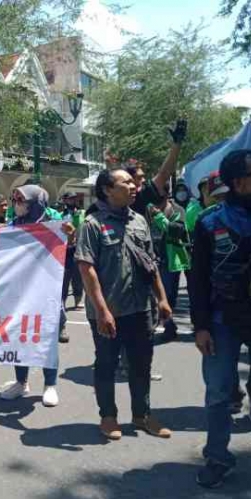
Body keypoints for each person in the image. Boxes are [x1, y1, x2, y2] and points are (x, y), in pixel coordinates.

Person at [190, 149, 251, 488]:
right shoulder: (210, 222)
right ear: (239, 182)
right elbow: (197, 277)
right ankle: (217, 456)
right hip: (221, 321)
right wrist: (200, 326)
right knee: (218, 393)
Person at [76, 169, 173, 441]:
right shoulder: (92, 224)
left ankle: (142, 415)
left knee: (142, 364)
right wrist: (103, 310)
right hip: (109, 313)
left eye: (133, 182)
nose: (133, 186)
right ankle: (108, 417)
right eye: (126, 182)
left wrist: (162, 298)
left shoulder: (140, 221)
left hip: (141, 309)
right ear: (107, 190)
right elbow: (87, 269)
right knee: (106, 364)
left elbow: (150, 264)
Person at [0, 185, 68, 407]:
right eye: (15, 200)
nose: (17, 204)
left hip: (46, 291)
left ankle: (50, 385)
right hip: (20, 292)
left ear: (36, 202)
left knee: (47, 339)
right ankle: (21, 382)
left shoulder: (55, 226)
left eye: (22, 200)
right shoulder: (14, 225)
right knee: (20, 337)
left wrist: (70, 235)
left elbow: (69, 249)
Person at [148, 187, 190, 344]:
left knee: (167, 296)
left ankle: (169, 327)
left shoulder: (177, 210)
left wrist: (158, 216)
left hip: (169, 261)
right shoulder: (146, 209)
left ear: (166, 195)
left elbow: (176, 231)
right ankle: (153, 326)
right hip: (149, 259)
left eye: (159, 195)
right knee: (148, 296)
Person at [61, 192, 86, 310]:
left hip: (78, 247)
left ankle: (78, 300)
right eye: (70, 199)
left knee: (78, 276)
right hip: (65, 249)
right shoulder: (60, 214)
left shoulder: (82, 213)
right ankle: (62, 301)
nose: (73, 201)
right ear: (65, 200)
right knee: (64, 277)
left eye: (74, 199)